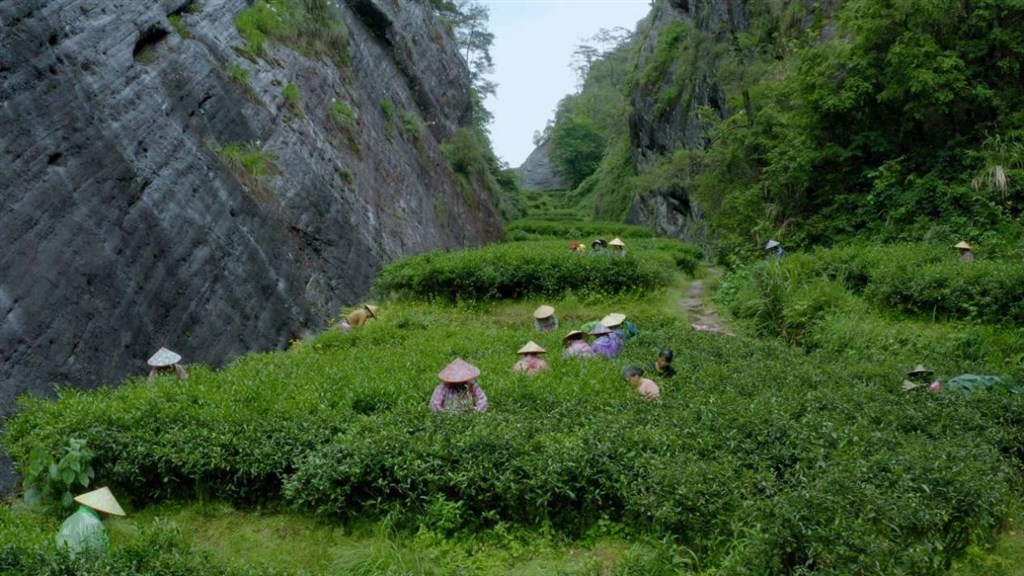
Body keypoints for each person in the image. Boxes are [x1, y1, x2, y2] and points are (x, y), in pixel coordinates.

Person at [55, 486, 126, 557]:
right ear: (100, 509)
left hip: (64, 564)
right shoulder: (93, 523)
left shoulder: (69, 519)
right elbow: (98, 551)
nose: (108, 514)